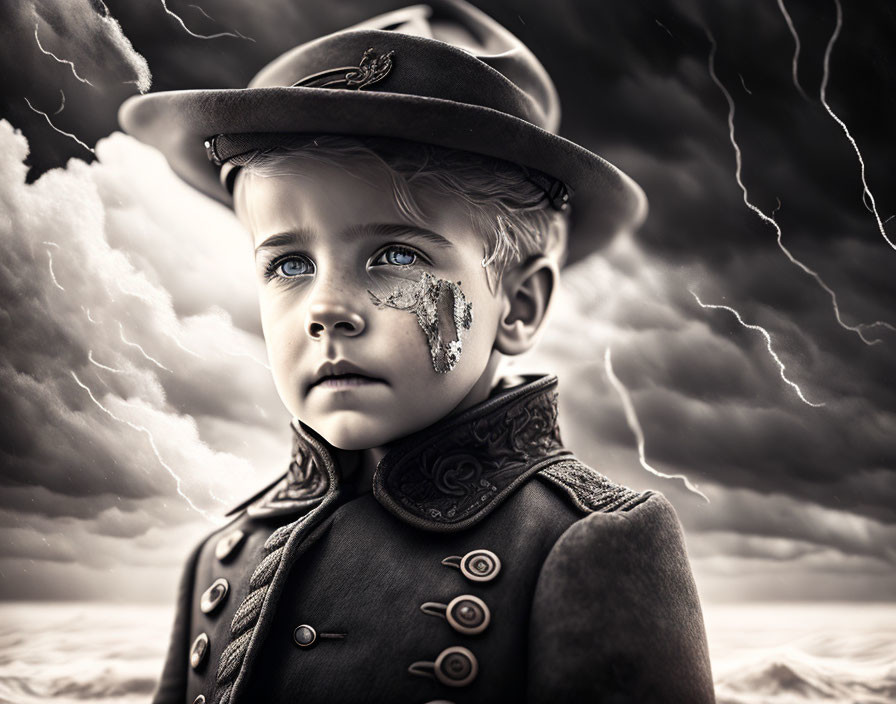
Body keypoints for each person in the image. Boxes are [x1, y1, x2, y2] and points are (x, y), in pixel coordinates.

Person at [118, 1, 716, 702]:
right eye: (287, 265)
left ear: (518, 305)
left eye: (395, 254)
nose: (326, 309)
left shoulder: (589, 543)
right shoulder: (223, 557)